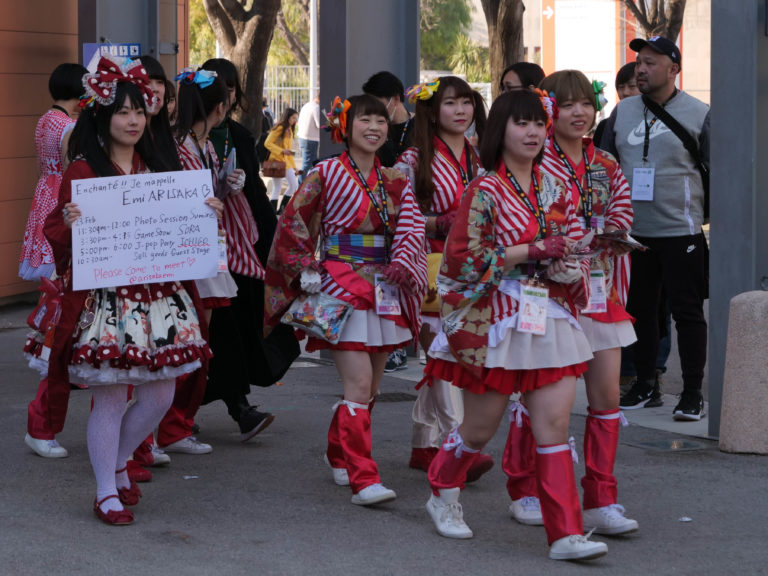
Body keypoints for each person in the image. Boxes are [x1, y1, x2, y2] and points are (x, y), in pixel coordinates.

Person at [31, 55, 219, 525]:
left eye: (139, 110)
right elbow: (55, 230)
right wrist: (71, 223)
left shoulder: (160, 168)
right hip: (106, 299)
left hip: (160, 297)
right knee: (111, 395)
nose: (133, 120)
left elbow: (182, 228)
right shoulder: (81, 173)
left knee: (159, 395)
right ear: (102, 115)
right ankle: (103, 490)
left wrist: (205, 213)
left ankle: (118, 462)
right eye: (123, 111)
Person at [421, 88, 608, 561]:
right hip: (497, 317)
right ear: (501, 129)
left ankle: (565, 534)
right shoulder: (483, 189)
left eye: (538, 124)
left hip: (548, 312)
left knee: (554, 425)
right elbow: (462, 262)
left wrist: (571, 263)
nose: (532, 132)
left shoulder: (556, 187)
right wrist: (530, 252)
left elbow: (570, 242)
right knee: (479, 432)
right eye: (521, 123)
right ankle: (442, 489)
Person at [264, 94, 427, 506]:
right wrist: (305, 264)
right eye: (364, 120)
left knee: (370, 386)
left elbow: (411, 229)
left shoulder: (396, 179)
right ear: (344, 126)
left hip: (383, 285)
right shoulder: (325, 173)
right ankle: (363, 477)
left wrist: (407, 260)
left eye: (380, 121)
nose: (374, 128)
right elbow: (292, 222)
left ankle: (339, 452)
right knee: (357, 384)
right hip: (338, 281)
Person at [501, 70, 638, 535]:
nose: (579, 113)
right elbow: (530, 222)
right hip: (549, 291)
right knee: (536, 394)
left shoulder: (606, 163)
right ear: (548, 110)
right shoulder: (536, 163)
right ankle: (524, 488)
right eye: (568, 104)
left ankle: (602, 498)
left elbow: (622, 204)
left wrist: (611, 230)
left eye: (586, 103)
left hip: (600, 288)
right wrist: (574, 238)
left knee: (607, 395)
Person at [600, 36, 710, 421]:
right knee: (640, 311)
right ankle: (646, 384)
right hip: (632, 234)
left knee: (688, 313)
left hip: (682, 232)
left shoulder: (700, 113)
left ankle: (693, 393)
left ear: (673, 69)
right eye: (638, 62)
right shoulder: (623, 112)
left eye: (650, 62)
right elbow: (605, 165)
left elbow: (717, 168)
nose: (640, 69)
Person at [392, 76, 493, 480]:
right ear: (432, 111)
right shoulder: (414, 160)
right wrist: (436, 222)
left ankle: (423, 445)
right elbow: (396, 215)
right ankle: (455, 442)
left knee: (442, 357)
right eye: (451, 103)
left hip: (470, 268)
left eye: (466, 102)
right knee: (442, 353)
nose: (461, 110)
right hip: (431, 266)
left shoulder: (477, 156)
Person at [199, 57, 281, 440]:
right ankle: (177, 414)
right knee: (203, 330)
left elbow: (258, 195)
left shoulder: (239, 135)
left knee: (229, 326)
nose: (226, 96)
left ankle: (232, 406)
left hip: (237, 248)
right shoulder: (177, 136)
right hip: (195, 246)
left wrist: (273, 239)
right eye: (220, 87)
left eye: (231, 87)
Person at [21, 62, 88, 459]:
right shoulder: (68, 126)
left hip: (43, 191)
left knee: (51, 289)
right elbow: (68, 165)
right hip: (61, 199)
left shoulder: (45, 119)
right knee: (59, 295)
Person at [362, 71, 416, 373]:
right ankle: (391, 344)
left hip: (412, 216)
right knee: (387, 279)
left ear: (395, 99)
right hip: (383, 216)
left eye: (380, 104)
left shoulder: (420, 129)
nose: (376, 119)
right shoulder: (375, 132)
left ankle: (405, 338)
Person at [593, 62, 638, 146]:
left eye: (632, 86)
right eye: (621, 87)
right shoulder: (605, 126)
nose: (625, 92)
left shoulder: (656, 125)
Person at [265, 107, 299, 213]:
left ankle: (280, 210)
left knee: (292, 185)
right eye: (293, 118)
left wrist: (294, 167)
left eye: (296, 118)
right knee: (278, 187)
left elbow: (288, 151)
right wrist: (281, 151)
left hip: (286, 163)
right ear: (288, 117)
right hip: (277, 161)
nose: (295, 120)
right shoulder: (280, 128)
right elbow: (267, 143)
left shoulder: (290, 130)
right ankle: (275, 211)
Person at [296, 93, 320, 184]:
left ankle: (307, 186)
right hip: (310, 139)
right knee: (307, 165)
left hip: (303, 138)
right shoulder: (316, 108)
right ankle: (300, 187)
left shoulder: (307, 105)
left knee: (310, 165)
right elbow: (319, 124)